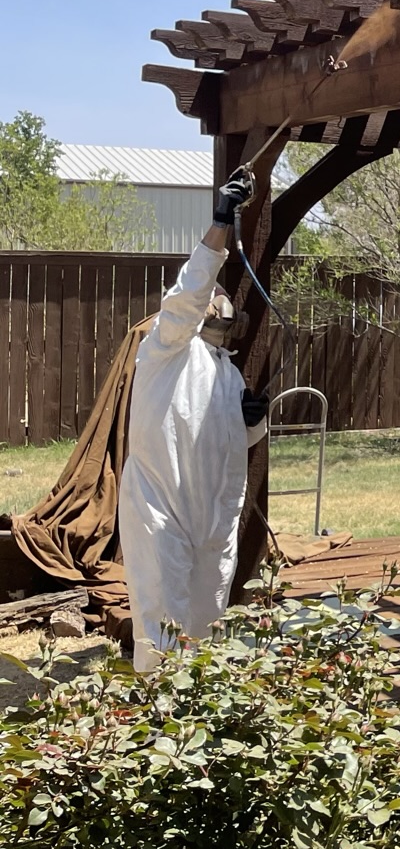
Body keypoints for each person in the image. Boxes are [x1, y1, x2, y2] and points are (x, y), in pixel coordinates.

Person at [118, 170, 269, 672]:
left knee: (206, 621)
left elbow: (224, 442)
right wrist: (221, 222)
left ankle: (193, 718)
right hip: (160, 506)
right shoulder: (165, 348)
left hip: (212, 515)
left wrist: (254, 423)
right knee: (161, 616)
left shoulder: (226, 373)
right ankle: (155, 723)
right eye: (213, 298)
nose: (219, 302)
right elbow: (188, 294)